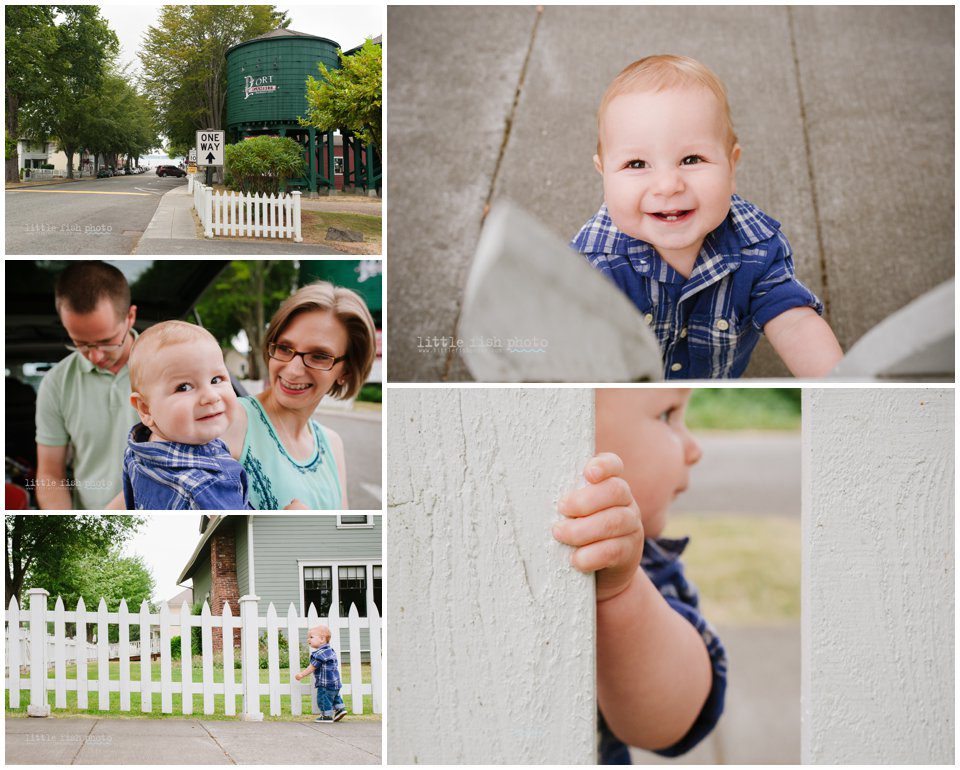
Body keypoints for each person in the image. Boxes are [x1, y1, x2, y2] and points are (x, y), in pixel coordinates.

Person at [572, 55, 843, 379]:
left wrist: (837, 388)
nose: (668, 185)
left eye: (691, 159)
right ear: (602, 173)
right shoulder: (594, 262)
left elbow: (795, 324)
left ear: (732, 166)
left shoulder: (755, 248)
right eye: (637, 164)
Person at [553, 388, 725, 763]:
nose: (693, 449)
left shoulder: (643, 565)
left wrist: (622, 591)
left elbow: (666, 724)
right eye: (667, 415)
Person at [221, 281, 377, 510]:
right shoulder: (228, 420)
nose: (293, 370)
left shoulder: (332, 444)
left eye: (319, 356)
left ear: (346, 371)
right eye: (284, 348)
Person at [35, 261, 139, 509]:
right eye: (80, 343)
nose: (95, 356)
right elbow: (50, 475)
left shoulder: (171, 362)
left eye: (106, 341)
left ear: (130, 317)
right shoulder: (55, 383)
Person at [122, 321, 250, 510]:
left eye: (216, 379)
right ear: (145, 408)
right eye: (184, 387)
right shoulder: (209, 486)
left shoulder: (136, 451)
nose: (210, 397)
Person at [295, 625, 347, 723]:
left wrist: (302, 674)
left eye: (311, 637)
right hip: (335, 682)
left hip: (325, 684)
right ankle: (341, 709)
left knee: (323, 699)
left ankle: (326, 716)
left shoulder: (319, 654)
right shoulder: (330, 651)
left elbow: (312, 667)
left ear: (322, 639)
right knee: (335, 696)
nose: (308, 639)